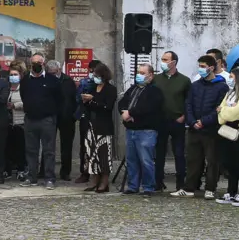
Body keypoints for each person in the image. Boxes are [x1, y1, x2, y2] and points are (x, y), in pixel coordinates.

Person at [184, 54, 228, 200]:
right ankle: (189, 187)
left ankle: (210, 188)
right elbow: (188, 104)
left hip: (211, 130)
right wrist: (192, 121)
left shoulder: (221, 86)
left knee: (212, 160)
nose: (200, 69)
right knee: (193, 159)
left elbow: (219, 108)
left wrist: (204, 121)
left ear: (211, 67)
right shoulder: (195, 85)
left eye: (203, 67)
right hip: (194, 128)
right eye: (199, 66)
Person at [118, 64, 165, 197]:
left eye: (143, 73)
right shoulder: (133, 88)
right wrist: (124, 113)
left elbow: (148, 108)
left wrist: (131, 113)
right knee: (132, 160)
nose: (139, 75)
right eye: (138, 72)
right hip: (131, 129)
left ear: (150, 76)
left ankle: (148, 187)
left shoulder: (155, 91)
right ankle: (133, 186)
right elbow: (122, 102)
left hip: (146, 131)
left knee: (146, 160)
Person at [20, 54, 61, 188]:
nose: (36, 65)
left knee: (49, 151)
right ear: (30, 65)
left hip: (47, 120)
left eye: (39, 62)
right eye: (34, 63)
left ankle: (49, 178)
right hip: (30, 119)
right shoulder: (25, 80)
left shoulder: (52, 80)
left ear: (44, 64)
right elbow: (23, 96)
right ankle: (31, 177)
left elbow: (59, 98)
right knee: (31, 150)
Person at [154, 51, 192, 195]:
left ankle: (180, 184)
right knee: (159, 153)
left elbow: (189, 101)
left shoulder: (184, 80)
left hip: (177, 121)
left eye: (166, 60)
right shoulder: (156, 79)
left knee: (179, 153)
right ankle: (158, 182)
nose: (162, 62)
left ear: (173, 62)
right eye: (162, 59)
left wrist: (184, 116)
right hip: (160, 121)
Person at [216, 67, 239, 206]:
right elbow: (219, 112)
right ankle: (231, 191)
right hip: (226, 129)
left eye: (232, 76)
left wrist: (224, 111)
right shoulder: (230, 93)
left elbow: (236, 113)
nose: (230, 79)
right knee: (228, 162)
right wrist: (225, 111)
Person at [81, 63, 117, 193]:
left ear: (103, 75)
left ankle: (104, 181)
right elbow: (88, 106)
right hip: (91, 125)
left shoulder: (111, 89)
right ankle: (94, 178)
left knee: (104, 154)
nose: (94, 77)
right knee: (91, 154)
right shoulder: (92, 88)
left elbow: (107, 107)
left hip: (104, 127)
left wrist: (93, 100)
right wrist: (86, 100)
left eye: (96, 75)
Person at [73, 60, 101, 184]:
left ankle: (99, 173)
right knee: (84, 146)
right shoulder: (84, 82)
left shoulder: (103, 83)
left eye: (95, 71)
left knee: (99, 146)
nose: (93, 73)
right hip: (85, 116)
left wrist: (93, 98)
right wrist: (83, 97)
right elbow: (77, 97)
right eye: (91, 70)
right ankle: (84, 172)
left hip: (98, 117)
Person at [52, 61, 77, 181]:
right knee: (48, 144)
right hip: (51, 116)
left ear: (59, 69)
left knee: (66, 145)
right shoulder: (47, 80)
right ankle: (45, 170)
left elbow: (74, 98)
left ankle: (65, 171)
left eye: (54, 72)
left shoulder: (68, 81)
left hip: (67, 117)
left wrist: (74, 115)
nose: (53, 75)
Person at [3, 62, 28, 178]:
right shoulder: (7, 88)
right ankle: (7, 170)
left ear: (20, 75)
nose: (13, 76)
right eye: (11, 74)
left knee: (21, 148)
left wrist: (15, 105)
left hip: (20, 122)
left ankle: (21, 170)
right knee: (8, 148)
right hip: (8, 122)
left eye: (15, 74)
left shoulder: (24, 88)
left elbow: (28, 102)